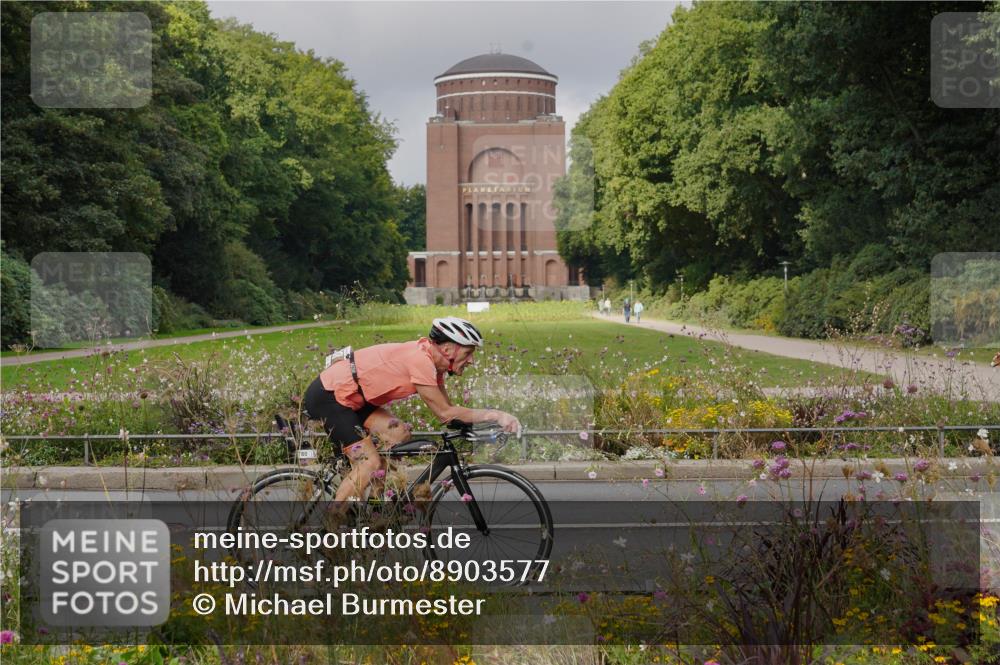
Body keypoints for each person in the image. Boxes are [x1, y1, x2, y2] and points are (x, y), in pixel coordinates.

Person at [302, 317, 521, 505]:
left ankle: (377, 507)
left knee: (399, 435)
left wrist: (476, 425)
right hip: (330, 397)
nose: (472, 360)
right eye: (468, 352)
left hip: (357, 399)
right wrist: (496, 415)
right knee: (370, 462)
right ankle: (331, 529)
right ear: (447, 349)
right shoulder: (421, 361)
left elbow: (449, 413)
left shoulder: (433, 366)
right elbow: (446, 413)